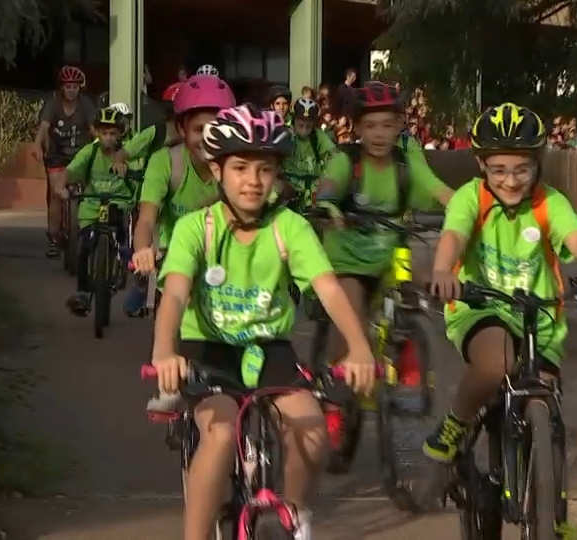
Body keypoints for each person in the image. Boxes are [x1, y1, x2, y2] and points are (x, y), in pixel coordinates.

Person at [148, 104, 377, 540]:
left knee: (310, 430)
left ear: (276, 174)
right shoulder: (197, 227)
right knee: (218, 434)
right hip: (208, 349)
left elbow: (328, 288)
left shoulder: (289, 227)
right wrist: (164, 350)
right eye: (239, 168)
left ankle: (294, 514)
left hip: (268, 348)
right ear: (217, 170)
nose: (252, 181)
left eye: (264, 169)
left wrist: (359, 346)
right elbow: (175, 292)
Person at [421, 102, 577, 466]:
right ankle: (456, 422)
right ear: (480, 165)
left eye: (522, 169)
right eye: (499, 170)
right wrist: (443, 271)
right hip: (480, 308)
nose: (511, 180)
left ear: (538, 164)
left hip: (540, 320)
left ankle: (550, 511)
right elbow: (454, 234)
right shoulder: (470, 198)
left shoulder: (549, 201)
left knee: (547, 408)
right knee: (496, 361)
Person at [314, 80, 453, 391]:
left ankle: (407, 346)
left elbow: (436, 188)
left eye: (388, 125)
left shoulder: (405, 163)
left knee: (425, 283)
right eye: (371, 126)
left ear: (399, 127)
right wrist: (327, 207)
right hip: (348, 259)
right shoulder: (346, 161)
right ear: (358, 127)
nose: (379, 134)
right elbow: (327, 189)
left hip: (390, 253)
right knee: (352, 325)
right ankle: (332, 394)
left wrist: (470, 211)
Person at [129, 75, 236, 301]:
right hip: (176, 277)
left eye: (216, 129)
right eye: (199, 129)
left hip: (228, 284)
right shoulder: (165, 162)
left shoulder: (239, 167)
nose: (208, 139)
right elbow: (147, 219)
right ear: (182, 129)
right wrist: (142, 250)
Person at [51, 108, 136, 315]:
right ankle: (82, 292)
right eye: (104, 132)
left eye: (113, 133)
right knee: (83, 249)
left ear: (121, 134)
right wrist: (60, 187)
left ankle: (122, 263)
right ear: (97, 132)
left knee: (122, 232)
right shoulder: (90, 152)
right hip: (91, 207)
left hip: (118, 203)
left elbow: (141, 176)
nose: (108, 137)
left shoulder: (127, 153)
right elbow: (70, 171)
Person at [118, 81, 186, 317]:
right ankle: (140, 287)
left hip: (180, 209)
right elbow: (123, 153)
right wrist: (120, 165)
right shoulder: (155, 133)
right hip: (152, 199)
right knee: (148, 247)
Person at [32, 66, 99, 259]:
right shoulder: (52, 105)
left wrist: (102, 145)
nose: (71, 90)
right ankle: (54, 238)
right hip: (56, 156)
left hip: (80, 156)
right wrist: (37, 145)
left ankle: (87, 232)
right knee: (56, 195)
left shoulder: (86, 105)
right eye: (68, 86)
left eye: (75, 87)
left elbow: (94, 129)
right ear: (62, 87)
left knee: (89, 193)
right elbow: (44, 127)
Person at [283, 97, 336, 181]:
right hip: (289, 186)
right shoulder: (285, 135)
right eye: (300, 125)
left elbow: (333, 154)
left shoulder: (318, 135)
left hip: (313, 188)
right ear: (294, 120)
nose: (304, 130)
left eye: (308, 126)